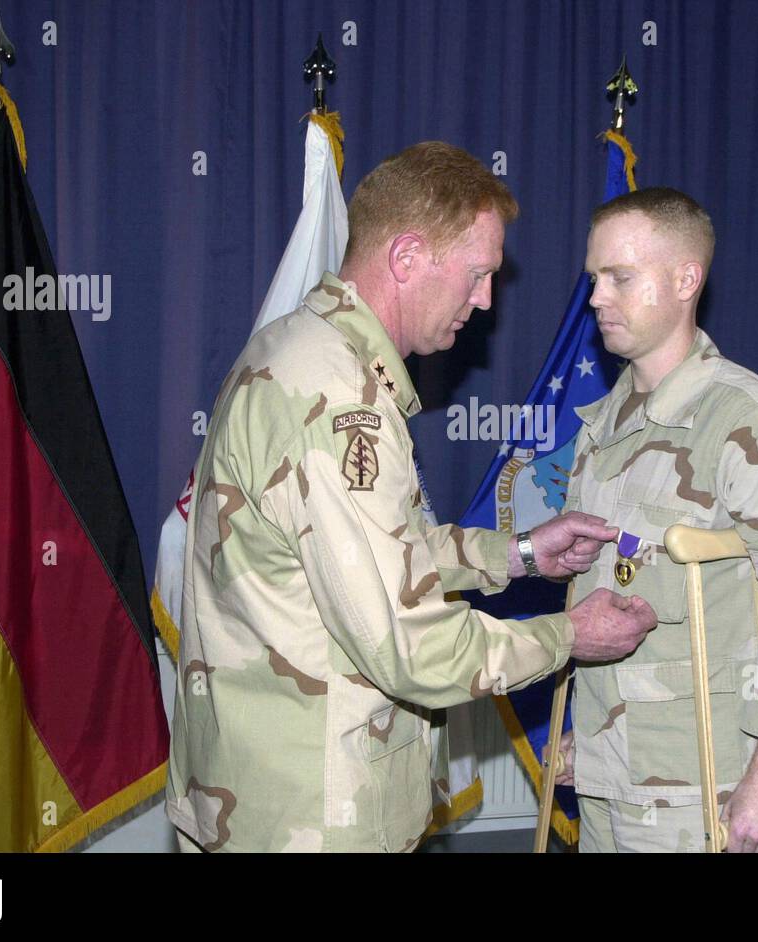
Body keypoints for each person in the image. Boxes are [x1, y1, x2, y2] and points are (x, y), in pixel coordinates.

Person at [165, 142, 657, 853]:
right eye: (478, 273)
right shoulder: (334, 400)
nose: (486, 299)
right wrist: (571, 637)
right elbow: (407, 646)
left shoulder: (309, 355)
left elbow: (382, 555)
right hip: (308, 819)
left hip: (275, 795)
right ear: (406, 259)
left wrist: (519, 553)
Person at [554, 187, 758, 853]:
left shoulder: (745, 420)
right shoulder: (602, 429)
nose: (598, 298)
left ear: (685, 278)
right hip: (616, 778)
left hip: (707, 783)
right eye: (594, 279)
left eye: (621, 278)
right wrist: (597, 727)